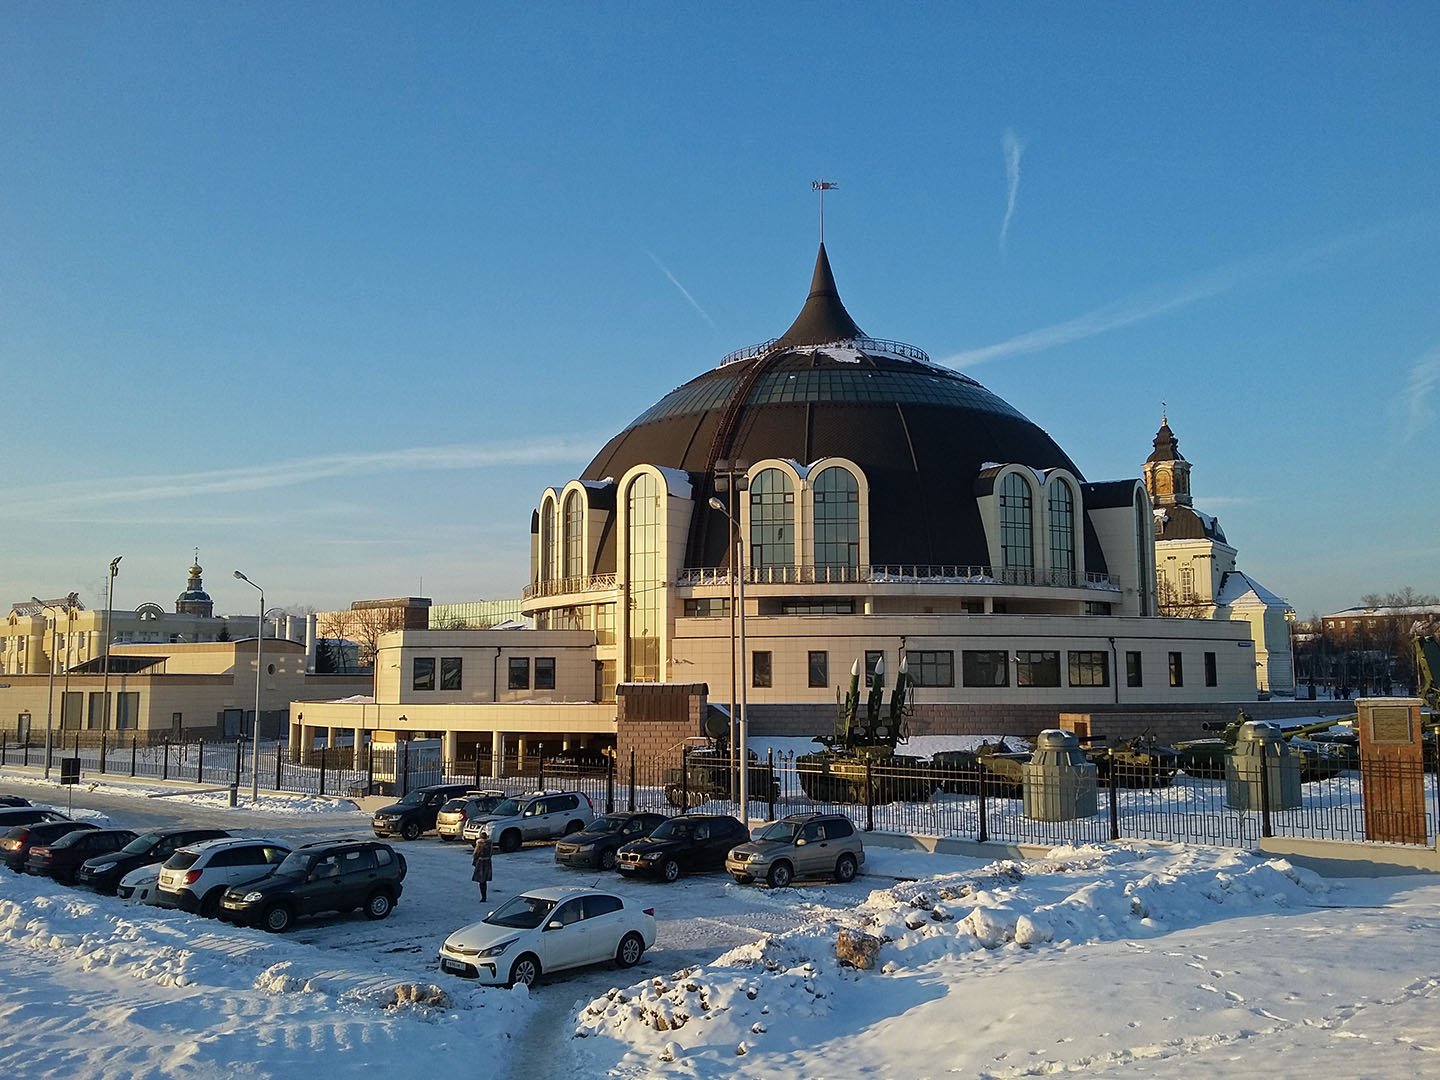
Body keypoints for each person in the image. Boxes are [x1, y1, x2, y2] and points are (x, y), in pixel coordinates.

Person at [470, 827, 493, 903]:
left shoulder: (479, 844)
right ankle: (485, 896)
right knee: (485, 880)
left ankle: (483, 897)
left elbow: (475, 854)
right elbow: (491, 853)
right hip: (487, 863)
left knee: (481, 881)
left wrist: (475, 862)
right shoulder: (490, 844)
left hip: (480, 863)